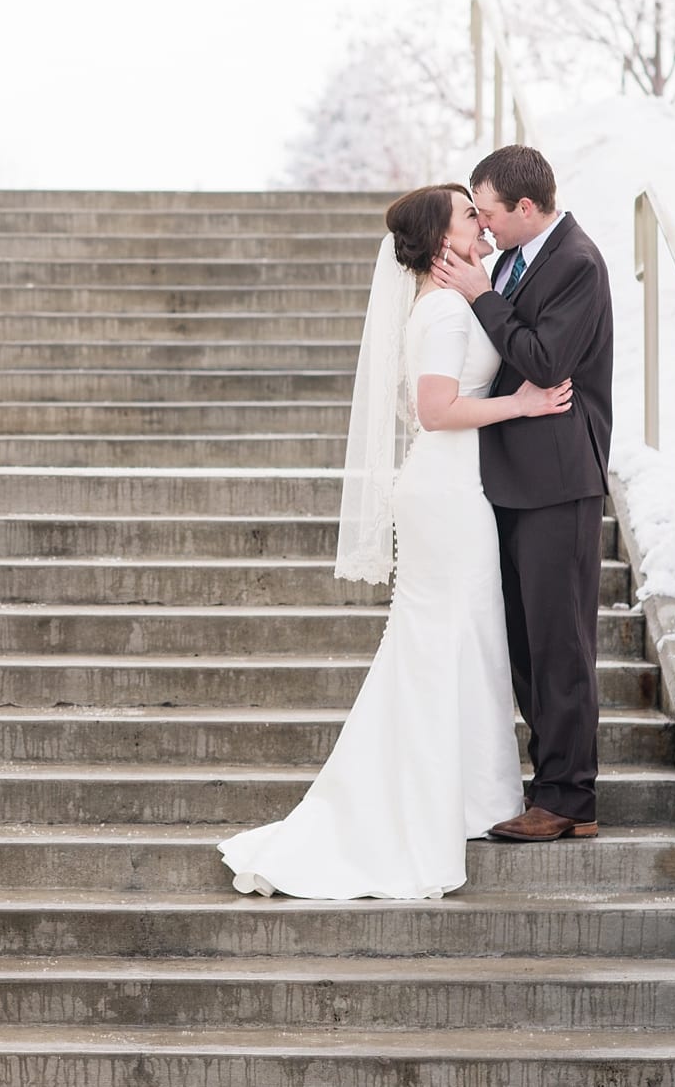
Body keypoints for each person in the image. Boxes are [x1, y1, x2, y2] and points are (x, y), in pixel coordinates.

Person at [217, 181, 573, 899]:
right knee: (445, 639)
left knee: (457, 637)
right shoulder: (443, 310)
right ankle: (428, 803)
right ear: (442, 239)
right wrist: (524, 402)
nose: (481, 217)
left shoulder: (448, 300)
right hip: (447, 492)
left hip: (450, 488)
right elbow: (435, 410)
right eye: (468, 213)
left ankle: (469, 794)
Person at [431, 145, 615, 843]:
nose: (482, 224)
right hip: (509, 477)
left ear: (527, 209)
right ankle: (552, 787)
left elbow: (544, 361)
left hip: (559, 480)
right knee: (528, 645)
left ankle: (569, 797)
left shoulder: (577, 262)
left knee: (560, 643)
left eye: (489, 212)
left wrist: (481, 296)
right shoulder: (510, 259)